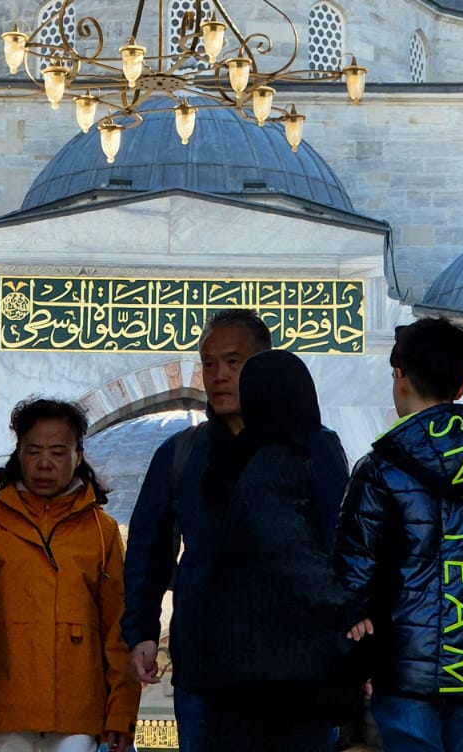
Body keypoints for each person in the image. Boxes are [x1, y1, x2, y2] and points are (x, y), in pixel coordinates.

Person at [122, 310, 348, 752]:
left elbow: (339, 545)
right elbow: (149, 549)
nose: (219, 376)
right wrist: (142, 631)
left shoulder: (313, 447)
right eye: (209, 364)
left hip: (299, 669)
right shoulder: (182, 454)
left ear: (264, 366)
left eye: (233, 362)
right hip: (208, 668)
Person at [334, 316, 463, 752]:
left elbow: (353, 573)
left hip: (402, 668)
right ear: (462, 386)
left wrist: (354, 646)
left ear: (399, 376)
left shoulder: (379, 471)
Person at [195, 349, 357, 752]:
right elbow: (293, 549)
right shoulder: (293, 454)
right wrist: (349, 608)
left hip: (237, 665)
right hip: (290, 666)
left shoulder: (235, 456)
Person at [0, 397, 140, 752]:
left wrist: (122, 711)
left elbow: (119, 626)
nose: (44, 463)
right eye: (34, 451)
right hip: (2, 709)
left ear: (78, 455)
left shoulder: (101, 531)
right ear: (18, 453)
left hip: (78, 711)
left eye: (58, 452)